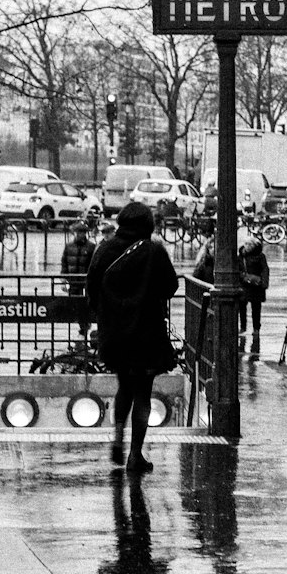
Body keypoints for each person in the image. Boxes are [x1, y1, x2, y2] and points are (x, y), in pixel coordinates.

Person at [87, 200, 179, 473]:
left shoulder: (105, 248)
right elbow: (171, 286)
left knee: (124, 386)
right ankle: (135, 454)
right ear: (147, 225)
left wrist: (107, 315)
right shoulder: (153, 251)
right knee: (143, 393)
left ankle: (117, 437)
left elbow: (91, 288)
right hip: (147, 333)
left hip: (115, 334)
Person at [238, 232, 270, 353]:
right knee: (242, 306)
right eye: (245, 244)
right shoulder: (241, 256)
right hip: (245, 285)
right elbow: (238, 268)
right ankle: (243, 327)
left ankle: (256, 328)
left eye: (248, 244)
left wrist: (263, 283)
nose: (245, 246)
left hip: (257, 287)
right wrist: (244, 277)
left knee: (256, 308)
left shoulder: (260, 256)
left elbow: (265, 269)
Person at [61, 221, 96, 295]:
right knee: (73, 301)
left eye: (81, 232)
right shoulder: (69, 246)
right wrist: (63, 280)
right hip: (72, 281)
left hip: (86, 281)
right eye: (77, 232)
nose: (78, 235)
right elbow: (64, 264)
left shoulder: (91, 247)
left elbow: (93, 265)